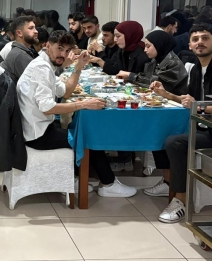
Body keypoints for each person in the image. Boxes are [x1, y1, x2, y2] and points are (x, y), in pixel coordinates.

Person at [16, 31, 136, 197]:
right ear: (48, 45)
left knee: (84, 130)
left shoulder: (45, 64)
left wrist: (78, 67)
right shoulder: (41, 68)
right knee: (88, 137)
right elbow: (47, 108)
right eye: (59, 49)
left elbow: (65, 92)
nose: (63, 55)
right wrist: (84, 104)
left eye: (67, 50)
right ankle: (108, 184)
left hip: (37, 127)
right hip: (37, 135)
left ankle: (78, 178)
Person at [149, 24, 212, 222]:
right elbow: (192, 100)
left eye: (205, 38)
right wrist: (166, 94)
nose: (199, 42)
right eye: (195, 39)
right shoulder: (196, 69)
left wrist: (200, 108)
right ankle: (169, 183)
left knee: (175, 142)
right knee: (161, 131)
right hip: (202, 126)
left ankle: (180, 200)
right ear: (190, 45)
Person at [127, 31, 188, 95]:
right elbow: (146, 76)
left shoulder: (174, 64)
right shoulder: (155, 60)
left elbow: (156, 84)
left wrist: (131, 76)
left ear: (159, 45)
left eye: (148, 46)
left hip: (174, 99)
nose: (145, 50)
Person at [2, 16, 39, 82]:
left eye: (35, 28)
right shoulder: (20, 55)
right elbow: (37, 83)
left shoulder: (17, 51)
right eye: (31, 28)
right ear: (19, 33)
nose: (36, 31)